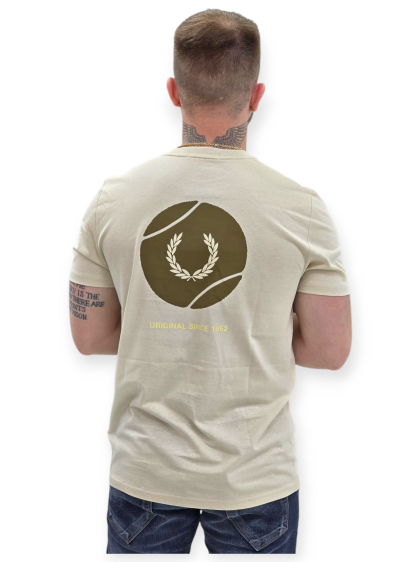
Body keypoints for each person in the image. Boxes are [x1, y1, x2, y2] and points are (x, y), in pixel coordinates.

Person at [69, 9, 352, 555]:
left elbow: (91, 336)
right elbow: (330, 350)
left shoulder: (113, 200)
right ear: (257, 95)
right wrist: (256, 330)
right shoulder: (303, 209)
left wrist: (164, 324)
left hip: (145, 472)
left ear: (174, 91)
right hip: (255, 477)